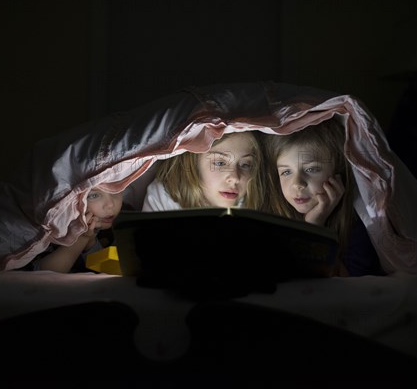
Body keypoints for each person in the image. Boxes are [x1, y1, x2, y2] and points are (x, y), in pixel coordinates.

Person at [263, 118, 385, 277]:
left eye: (311, 169)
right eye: (286, 172)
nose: (297, 184)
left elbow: (352, 284)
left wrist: (314, 226)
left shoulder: (359, 220)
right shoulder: (270, 216)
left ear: (337, 173)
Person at [142, 131, 266, 211]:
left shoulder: (255, 205)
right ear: (193, 164)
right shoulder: (164, 196)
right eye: (220, 163)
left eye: (245, 165)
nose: (235, 178)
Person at [22, 187, 124, 273]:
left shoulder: (108, 226)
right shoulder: (48, 228)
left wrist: (91, 242)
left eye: (116, 191)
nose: (111, 205)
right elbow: (42, 274)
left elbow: (106, 269)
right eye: (93, 195)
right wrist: (82, 238)